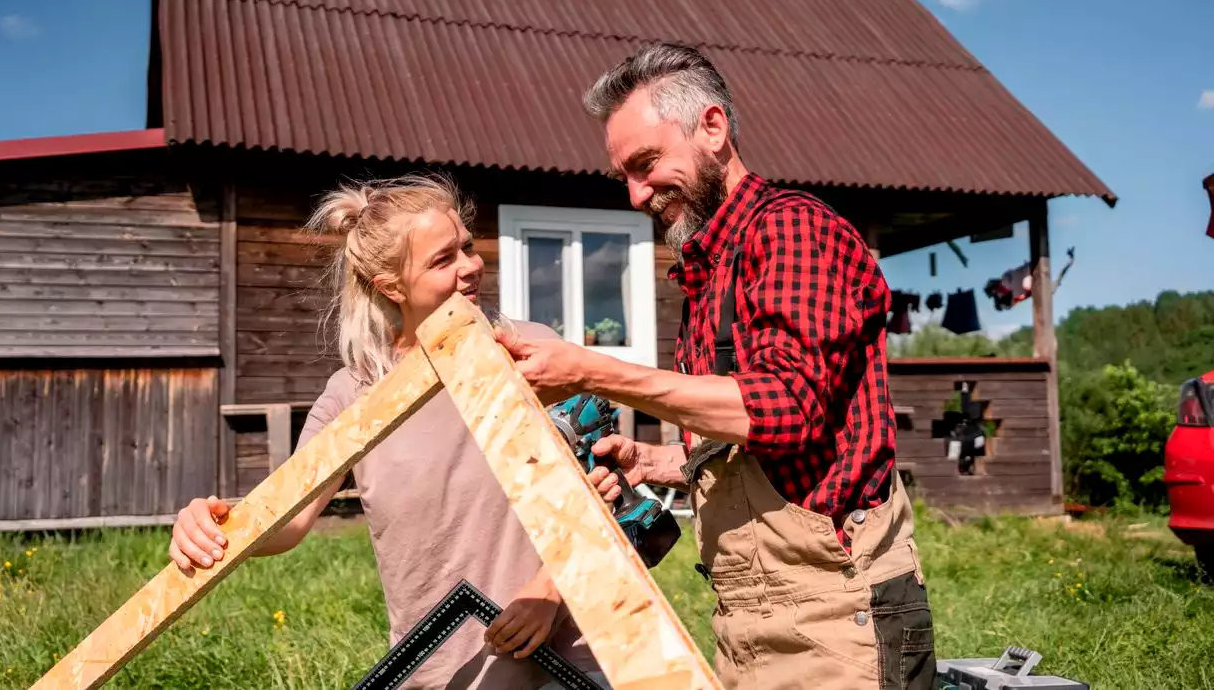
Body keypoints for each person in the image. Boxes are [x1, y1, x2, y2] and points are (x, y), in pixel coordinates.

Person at [495, 43, 937, 690]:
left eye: (646, 165)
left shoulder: (792, 231)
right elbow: (756, 442)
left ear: (712, 127)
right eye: (624, 174)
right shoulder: (708, 273)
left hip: (840, 617)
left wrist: (593, 370)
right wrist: (658, 463)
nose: (636, 193)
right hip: (747, 623)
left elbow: (786, 407)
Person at [167, 175, 611, 690]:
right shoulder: (354, 395)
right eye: (443, 260)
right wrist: (215, 525)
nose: (470, 267)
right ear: (390, 285)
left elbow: (608, 496)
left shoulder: (531, 352)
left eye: (467, 247)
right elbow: (287, 523)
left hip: (564, 664)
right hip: (434, 674)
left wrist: (550, 593)